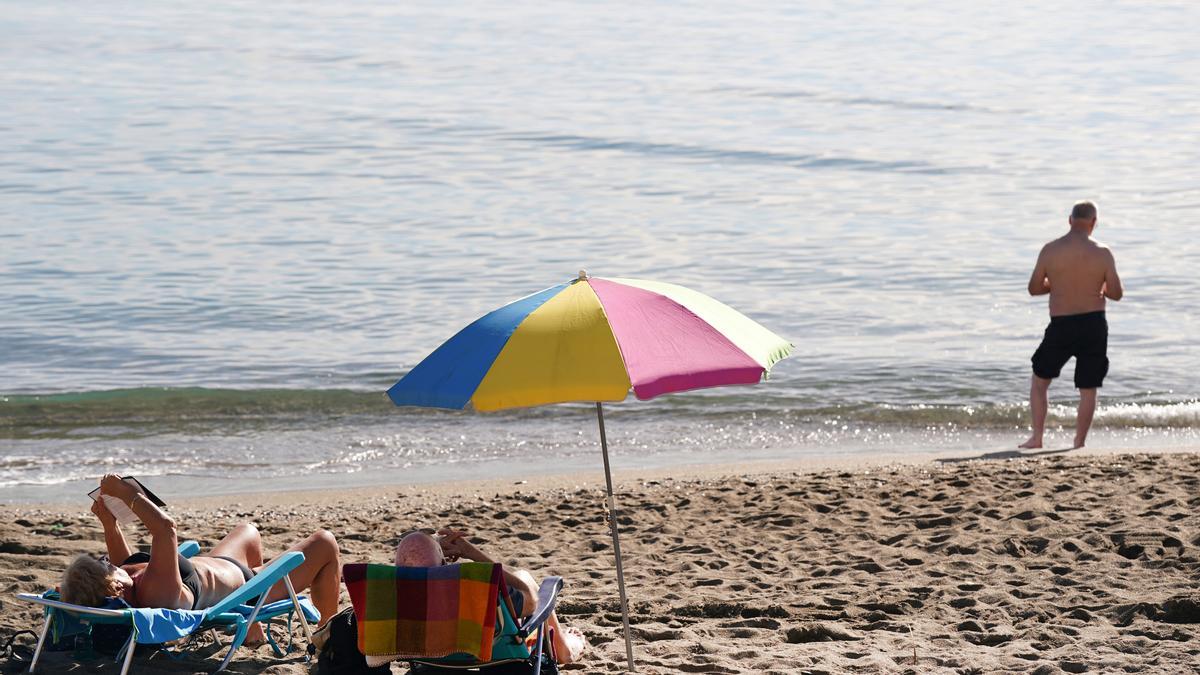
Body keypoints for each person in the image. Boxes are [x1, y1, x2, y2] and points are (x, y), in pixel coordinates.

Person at [61, 474, 341, 641]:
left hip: (219, 565)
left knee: (249, 530)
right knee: (325, 542)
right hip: (250, 589)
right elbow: (165, 529)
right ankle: (328, 630)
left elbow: (122, 558)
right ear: (115, 588)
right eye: (104, 565)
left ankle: (252, 625)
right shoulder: (156, 592)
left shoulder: (130, 583)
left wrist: (109, 524)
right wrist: (127, 494)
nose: (106, 560)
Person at [394, 529, 588, 665]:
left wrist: (433, 554)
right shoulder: (473, 589)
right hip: (497, 656)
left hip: (433, 664)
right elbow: (531, 601)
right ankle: (565, 650)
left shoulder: (389, 598)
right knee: (524, 577)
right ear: (444, 561)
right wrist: (470, 552)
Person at [1020, 201, 1123, 449]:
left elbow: (1034, 289)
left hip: (1061, 324)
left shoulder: (1050, 250)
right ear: (1093, 223)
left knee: (1040, 381)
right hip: (1093, 324)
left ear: (1069, 220)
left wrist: (1057, 285)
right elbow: (1117, 294)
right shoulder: (1103, 253)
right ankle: (1078, 442)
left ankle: (1037, 438)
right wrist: (1097, 287)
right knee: (1088, 387)